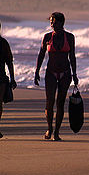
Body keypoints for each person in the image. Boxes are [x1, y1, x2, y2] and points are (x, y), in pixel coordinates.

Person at [34, 12, 78, 141]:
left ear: (61, 22)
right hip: (51, 72)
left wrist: (74, 74)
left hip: (65, 72)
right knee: (49, 103)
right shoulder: (47, 37)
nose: (51, 24)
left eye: (53, 21)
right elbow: (41, 54)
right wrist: (37, 71)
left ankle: (57, 132)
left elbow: (72, 56)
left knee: (60, 103)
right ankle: (49, 129)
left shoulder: (69, 37)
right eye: (51, 22)